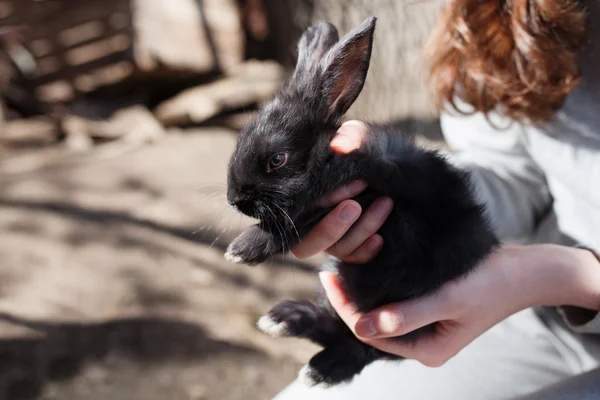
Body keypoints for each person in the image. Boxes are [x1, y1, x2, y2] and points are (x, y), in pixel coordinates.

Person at [275, 0, 600, 399]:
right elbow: (514, 169)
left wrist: (564, 277)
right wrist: (408, 186)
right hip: (551, 316)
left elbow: (546, 276)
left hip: (558, 284)